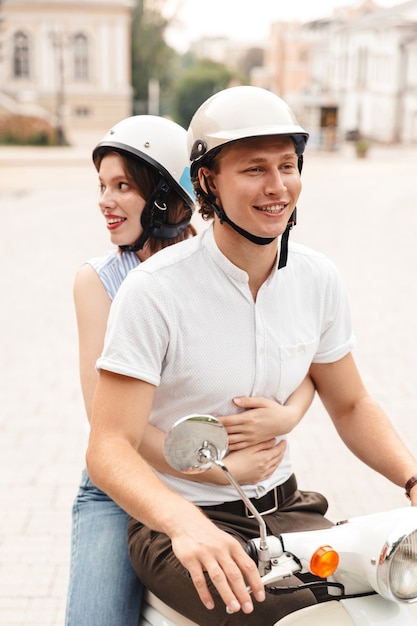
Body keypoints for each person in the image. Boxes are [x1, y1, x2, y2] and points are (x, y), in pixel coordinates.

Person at [86, 86, 417, 626]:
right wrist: (183, 523)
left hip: (284, 507)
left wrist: (412, 479)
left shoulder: (317, 278)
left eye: (288, 165)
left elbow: (351, 404)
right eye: (254, 169)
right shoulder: (154, 291)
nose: (278, 187)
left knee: (385, 602)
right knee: (304, 620)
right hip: (180, 523)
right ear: (207, 182)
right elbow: (108, 447)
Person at [66, 112, 315, 626]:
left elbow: (307, 355)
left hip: (226, 487)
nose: (104, 201)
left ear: (164, 196)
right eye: (102, 186)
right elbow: (110, 430)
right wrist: (218, 467)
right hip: (128, 482)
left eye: (122, 186)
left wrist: (285, 417)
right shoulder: (100, 282)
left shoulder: (221, 257)